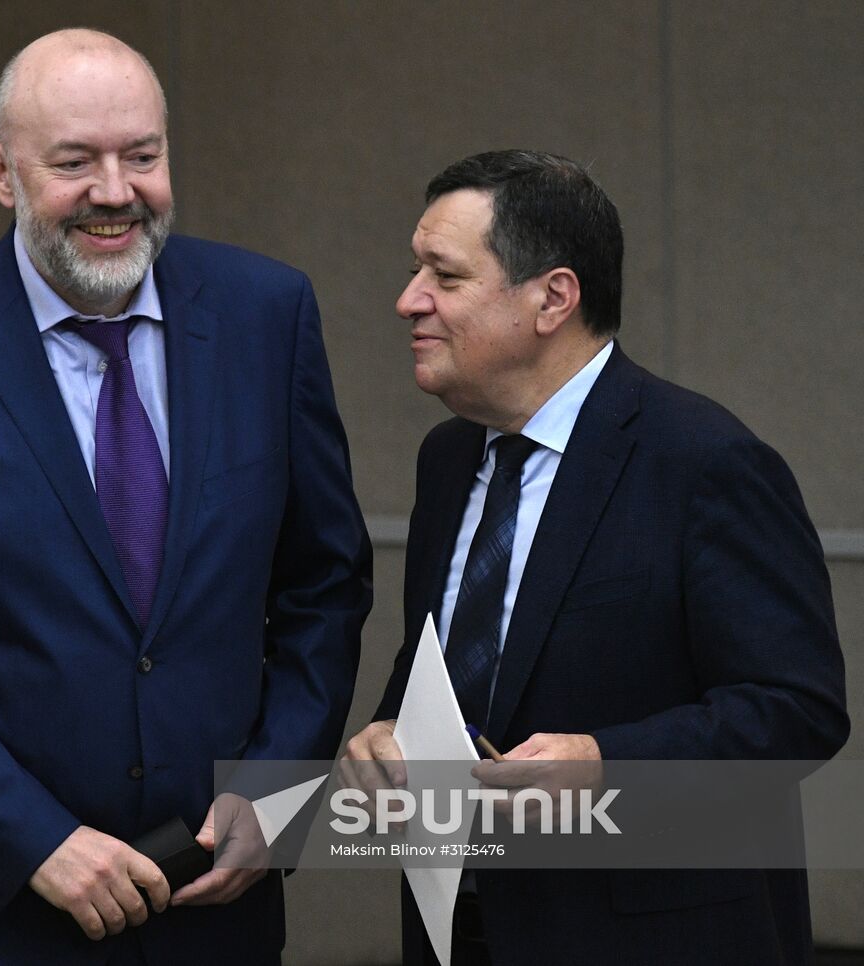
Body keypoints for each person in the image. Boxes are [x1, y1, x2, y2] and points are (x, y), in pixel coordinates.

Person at [0, 28, 372, 965]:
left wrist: (273, 793)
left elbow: (323, 584)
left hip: (212, 907)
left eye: (143, 157)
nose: (115, 193)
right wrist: (36, 839)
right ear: (3, 172)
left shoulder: (266, 317)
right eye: (75, 163)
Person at [344, 150, 847, 965]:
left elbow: (797, 709)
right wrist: (387, 728)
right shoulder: (447, 461)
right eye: (414, 270)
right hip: (458, 931)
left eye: (445, 275)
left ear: (553, 298)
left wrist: (607, 763)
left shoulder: (704, 462)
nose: (409, 301)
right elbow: (459, 660)